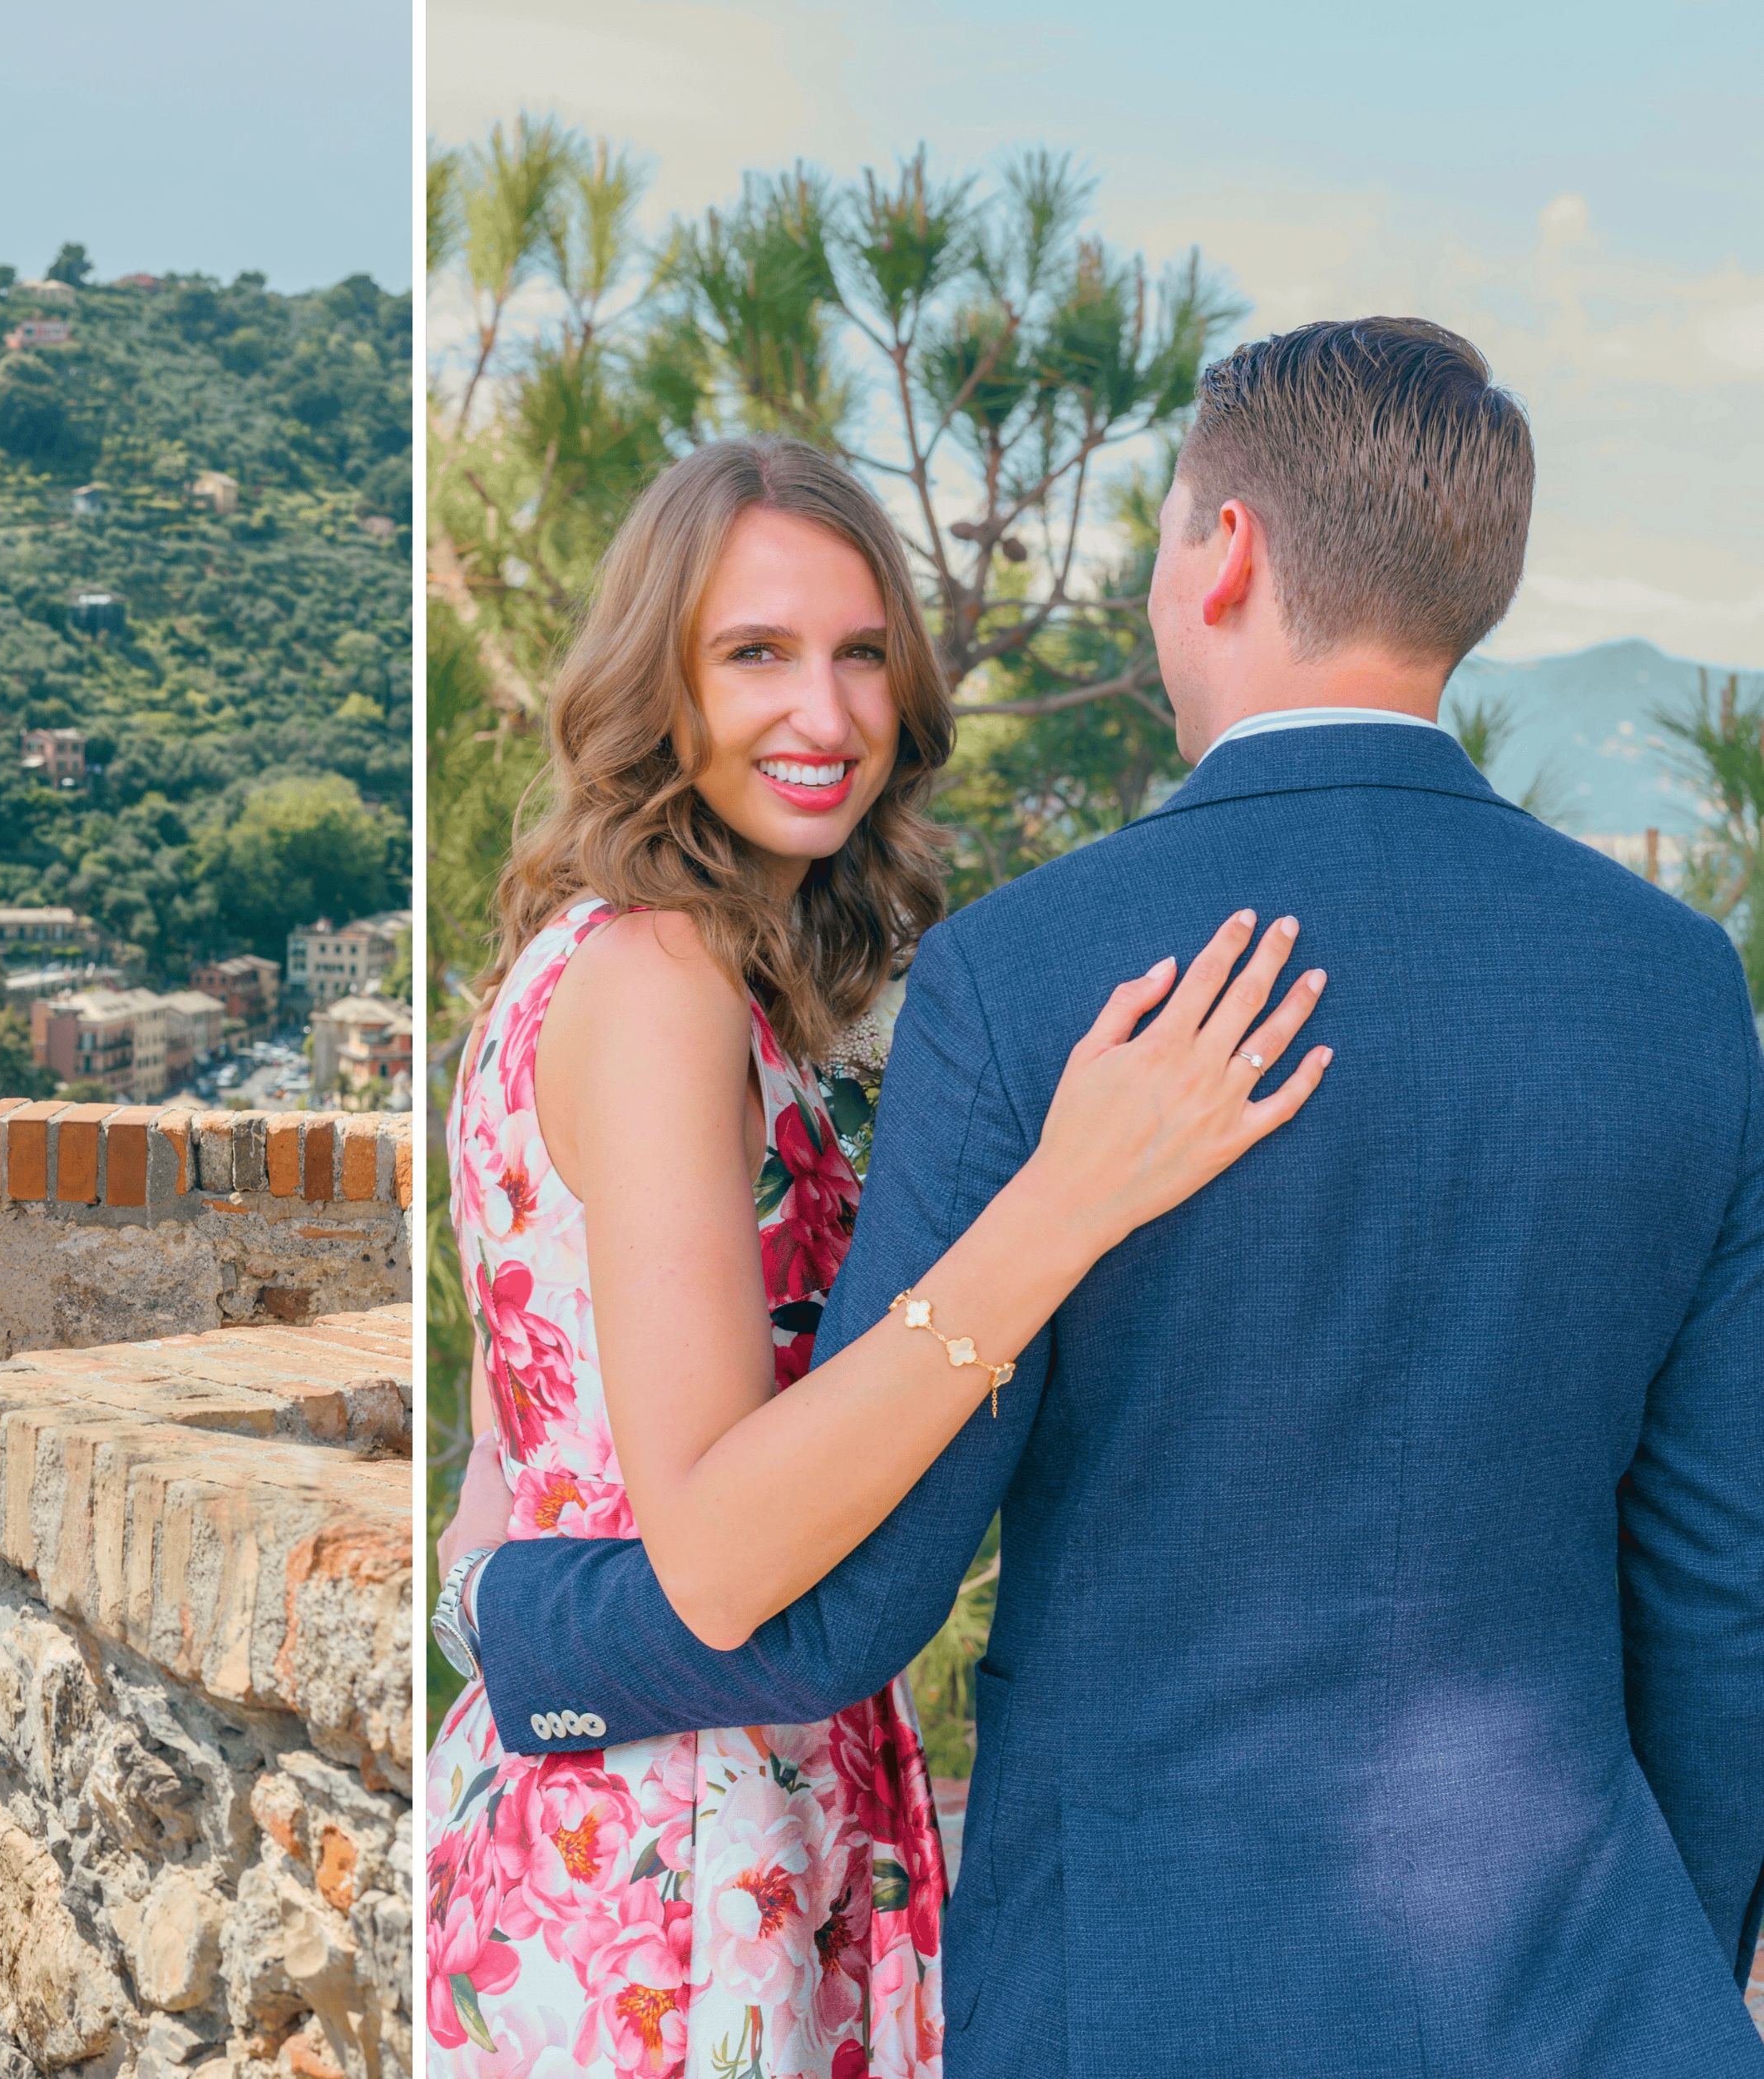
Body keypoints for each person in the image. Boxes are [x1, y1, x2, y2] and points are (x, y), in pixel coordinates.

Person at [452, 321, 1764, 2077]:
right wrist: (1665, 1947)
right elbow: (1714, 1577)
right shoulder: (1679, 986)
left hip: (1130, 1985)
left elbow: (845, 1600)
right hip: (1584, 1980)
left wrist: (509, 1617)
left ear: (1220, 554)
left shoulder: (1033, 976)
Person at [422, 434, 1329, 2079]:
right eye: (754, 653)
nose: (824, 715)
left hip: (634, 1775)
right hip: (676, 1846)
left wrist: (493, 1592)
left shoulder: (631, 967)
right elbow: (705, 1548)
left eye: (857, 654)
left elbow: (510, 1453)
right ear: (658, 681)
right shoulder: (656, 989)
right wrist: (1067, 1200)